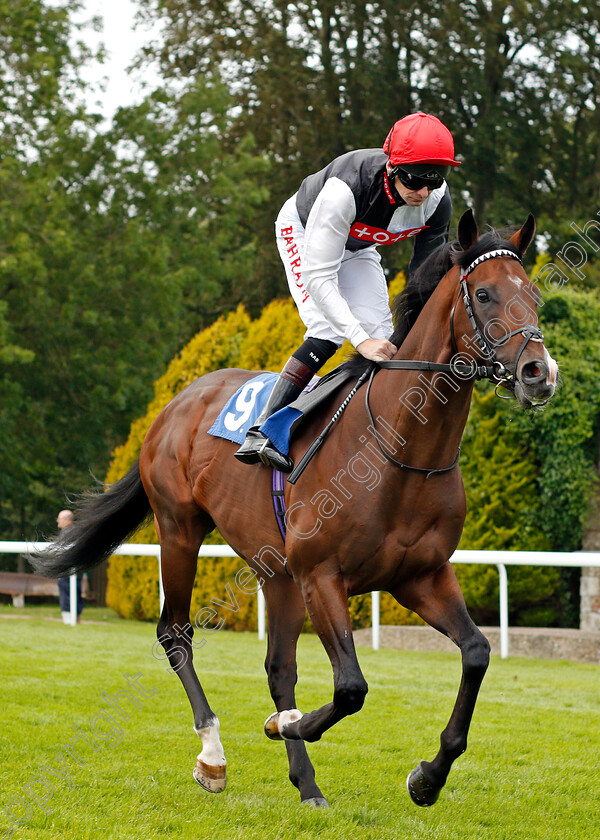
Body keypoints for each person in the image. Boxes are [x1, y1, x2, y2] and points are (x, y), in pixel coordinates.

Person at [235, 111, 461, 472]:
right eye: (415, 180)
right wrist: (358, 340)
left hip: (358, 246)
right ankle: (263, 429)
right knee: (331, 329)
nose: (423, 192)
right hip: (306, 232)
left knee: (384, 338)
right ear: (392, 167)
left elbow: (421, 281)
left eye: (434, 181)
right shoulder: (345, 189)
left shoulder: (436, 200)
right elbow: (320, 278)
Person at [56, 510, 88, 623]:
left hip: (67, 571)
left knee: (67, 595)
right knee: (76, 594)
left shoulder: (66, 532)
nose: (57, 521)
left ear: (66, 519)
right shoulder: (78, 531)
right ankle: (76, 620)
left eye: (59, 518)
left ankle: (68, 621)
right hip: (77, 571)